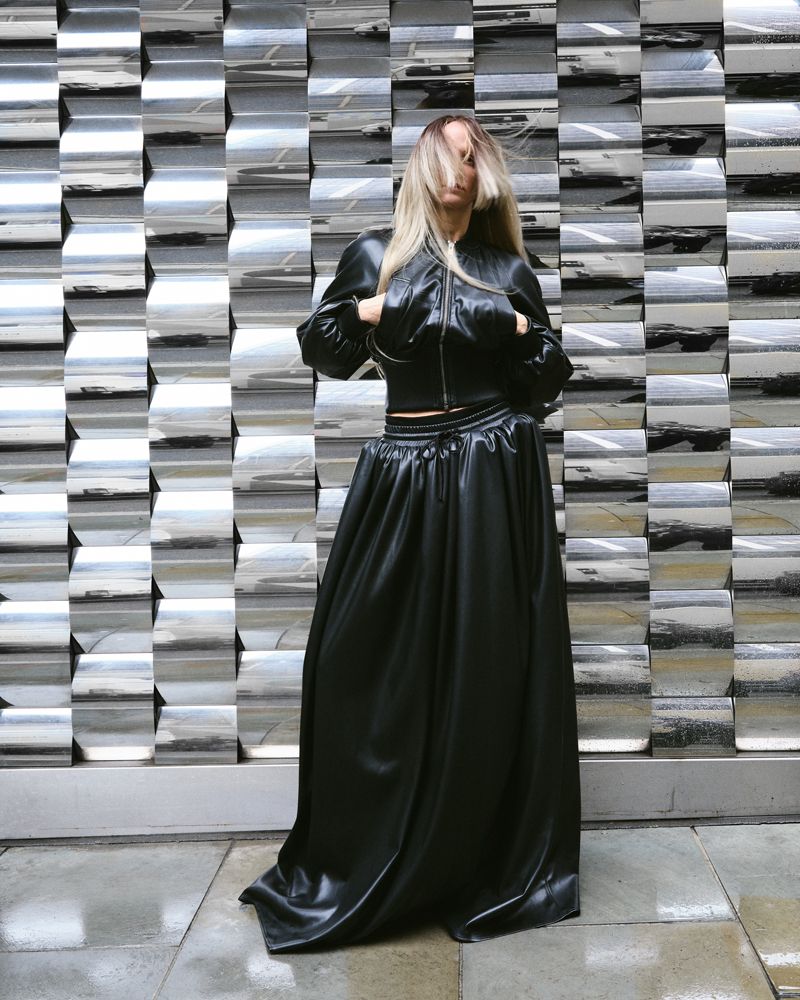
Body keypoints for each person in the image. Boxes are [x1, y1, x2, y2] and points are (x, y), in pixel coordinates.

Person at [238, 114, 580, 953]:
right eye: (451, 155)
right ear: (425, 167)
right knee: (361, 660)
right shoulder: (375, 256)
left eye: (474, 157)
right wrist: (369, 306)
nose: (463, 168)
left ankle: (473, 858)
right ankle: (375, 850)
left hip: (494, 469)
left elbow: (546, 386)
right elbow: (321, 345)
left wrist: (525, 331)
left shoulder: (506, 268)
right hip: (405, 465)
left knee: (487, 664)